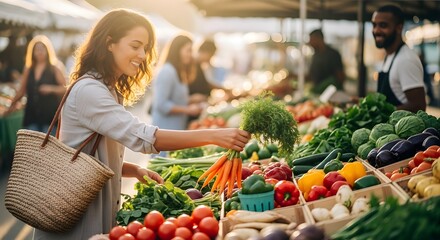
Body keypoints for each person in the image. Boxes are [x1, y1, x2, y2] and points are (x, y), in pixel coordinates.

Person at [33, 9, 250, 239]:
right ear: (110, 43)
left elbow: (89, 155)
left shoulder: (107, 89)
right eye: (135, 46)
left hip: (92, 210)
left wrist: (133, 169)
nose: (143, 55)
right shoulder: (90, 90)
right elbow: (143, 137)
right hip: (76, 219)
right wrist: (214, 136)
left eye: (145, 48)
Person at [5, 35, 66, 134]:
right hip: (31, 115)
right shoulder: (28, 69)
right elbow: (21, 91)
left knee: (47, 146)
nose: (39, 52)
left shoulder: (55, 68)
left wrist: (51, 89)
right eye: (37, 49)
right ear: (32, 52)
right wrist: (11, 106)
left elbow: (65, 89)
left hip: (50, 117)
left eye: (42, 49)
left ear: (47, 51)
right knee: (30, 146)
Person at [372, 5, 426, 112]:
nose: (376, 30)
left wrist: (380, 113)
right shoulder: (390, 55)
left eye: (383, 25)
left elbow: (418, 106)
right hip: (388, 127)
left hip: (402, 129)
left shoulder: (406, 60)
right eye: (374, 25)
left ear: (399, 28)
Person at [151, 35, 202, 134]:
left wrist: (191, 99)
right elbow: (161, 105)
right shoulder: (167, 71)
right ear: (178, 50)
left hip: (175, 129)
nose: (191, 55)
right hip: (165, 131)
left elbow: (174, 99)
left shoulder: (178, 71)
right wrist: (188, 110)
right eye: (188, 50)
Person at [308, 29, 345, 94]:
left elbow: (340, 77)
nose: (310, 43)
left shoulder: (333, 54)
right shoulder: (315, 55)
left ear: (319, 39)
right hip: (318, 94)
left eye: (312, 40)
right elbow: (311, 75)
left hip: (332, 95)